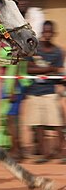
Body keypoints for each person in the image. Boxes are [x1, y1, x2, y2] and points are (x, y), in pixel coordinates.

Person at [0, 0, 32, 160]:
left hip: (15, 78)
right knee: (6, 114)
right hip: (6, 76)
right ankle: (13, 145)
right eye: (19, 0)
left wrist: (14, 85)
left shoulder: (24, 25)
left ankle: (17, 148)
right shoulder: (10, 21)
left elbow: (21, 53)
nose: (21, 2)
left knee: (11, 114)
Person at [25, 20, 64, 163]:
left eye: (50, 32)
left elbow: (58, 71)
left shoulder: (58, 52)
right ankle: (45, 154)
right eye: (45, 31)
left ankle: (61, 152)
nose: (47, 34)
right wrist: (49, 69)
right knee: (38, 125)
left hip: (50, 92)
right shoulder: (34, 48)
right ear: (42, 32)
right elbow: (29, 69)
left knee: (56, 123)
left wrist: (48, 70)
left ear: (54, 34)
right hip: (34, 92)